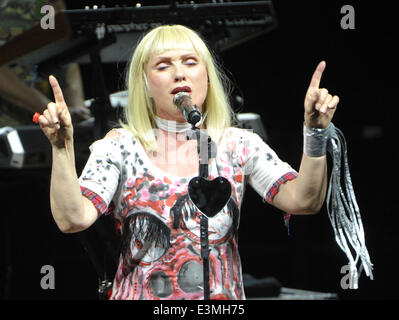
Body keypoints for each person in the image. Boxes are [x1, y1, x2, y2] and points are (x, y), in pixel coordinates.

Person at [37, 24, 339, 300]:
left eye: (190, 62)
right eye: (163, 65)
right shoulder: (120, 146)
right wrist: (61, 148)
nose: (179, 73)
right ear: (144, 82)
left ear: (206, 75)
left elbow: (304, 200)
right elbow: (72, 219)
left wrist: (315, 131)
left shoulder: (238, 145)